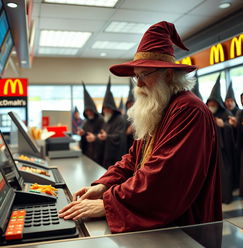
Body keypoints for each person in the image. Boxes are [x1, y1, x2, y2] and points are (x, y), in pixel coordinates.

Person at [59, 21, 222, 233]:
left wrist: (108, 204)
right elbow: (134, 158)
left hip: (183, 228)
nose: (138, 84)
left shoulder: (188, 110)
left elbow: (164, 179)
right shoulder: (161, 107)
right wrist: (104, 185)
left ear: (169, 75)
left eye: (144, 75)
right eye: (136, 76)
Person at [206, 74, 235, 204]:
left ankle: (226, 197)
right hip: (209, 150)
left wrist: (224, 126)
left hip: (223, 152)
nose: (211, 105)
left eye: (213, 103)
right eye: (209, 103)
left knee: (224, 174)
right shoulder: (206, 114)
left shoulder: (225, 113)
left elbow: (232, 128)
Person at [98, 77, 126, 169]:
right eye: (104, 109)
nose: (106, 111)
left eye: (107, 108)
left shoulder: (119, 119)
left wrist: (107, 137)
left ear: (112, 109)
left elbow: (120, 136)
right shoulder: (106, 120)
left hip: (116, 156)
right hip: (106, 154)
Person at [78, 82, 104, 164]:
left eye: (90, 110)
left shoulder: (101, 120)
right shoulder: (86, 121)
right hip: (88, 152)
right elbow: (86, 133)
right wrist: (83, 133)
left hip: (99, 152)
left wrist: (95, 137)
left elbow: (103, 134)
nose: (88, 113)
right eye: (87, 111)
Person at [124, 80, 135, 152]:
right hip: (127, 144)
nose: (130, 105)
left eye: (132, 103)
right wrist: (126, 132)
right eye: (128, 104)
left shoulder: (141, 115)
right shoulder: (124, 117)